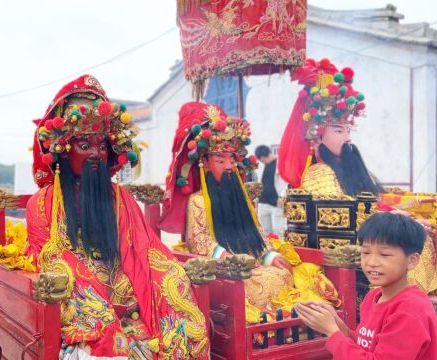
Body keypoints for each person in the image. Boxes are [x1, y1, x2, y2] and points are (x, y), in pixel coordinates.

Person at [24, 75, 209, 359]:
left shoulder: (119, 197)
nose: (96, 153)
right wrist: (99, 297)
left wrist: (170, 275)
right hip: (79, 293)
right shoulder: (43, 202)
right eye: (84, 146)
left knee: (173, 280)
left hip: (127, 284)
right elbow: (49, 256)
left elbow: (145, 248)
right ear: (62, 150)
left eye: (100, 145)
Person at [158, 101, 340, 317]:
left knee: (283, 272)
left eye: (231, 161)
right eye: (220, 160)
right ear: (205, 163)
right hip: (225, 269)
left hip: (253, 265)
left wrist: (269, 256)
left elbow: (256, 233)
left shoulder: (241, 198)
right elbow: (199, 240)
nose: (228, 167)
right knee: (248, 284)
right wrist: (230, 260)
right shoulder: (198, 201)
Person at [278, 57, 437, 294]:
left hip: (368, 229)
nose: (347, 137)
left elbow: (373, 201)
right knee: (415, 239)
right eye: (339, 130)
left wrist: (406, 212)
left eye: (348, 130)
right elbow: (349, 215)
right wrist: (402, 219)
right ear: (317, 135)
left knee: (428, 225)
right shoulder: (318, 172)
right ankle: (404, 297)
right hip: (354, 239)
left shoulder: (346, 165)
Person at [294, 212, 437, 359]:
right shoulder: (373, 296)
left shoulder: (410, 310)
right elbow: (367, 347)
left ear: (412, 260)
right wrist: (341, 329)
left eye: (384, 254)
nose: (371, 262)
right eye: (366, 252)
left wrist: (332, 332)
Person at [254, 145, 287, 237]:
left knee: (279, 230)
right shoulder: (261, 166)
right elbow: (259, 184)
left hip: (276, 202)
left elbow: (287, 181)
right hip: (263, 202)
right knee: (265, 231)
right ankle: (270, 250)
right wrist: (257, 204)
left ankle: (282, 250)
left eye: (263, 159)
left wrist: (282, 197)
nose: (263, 162)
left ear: (266, 155)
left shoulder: (281, 163)